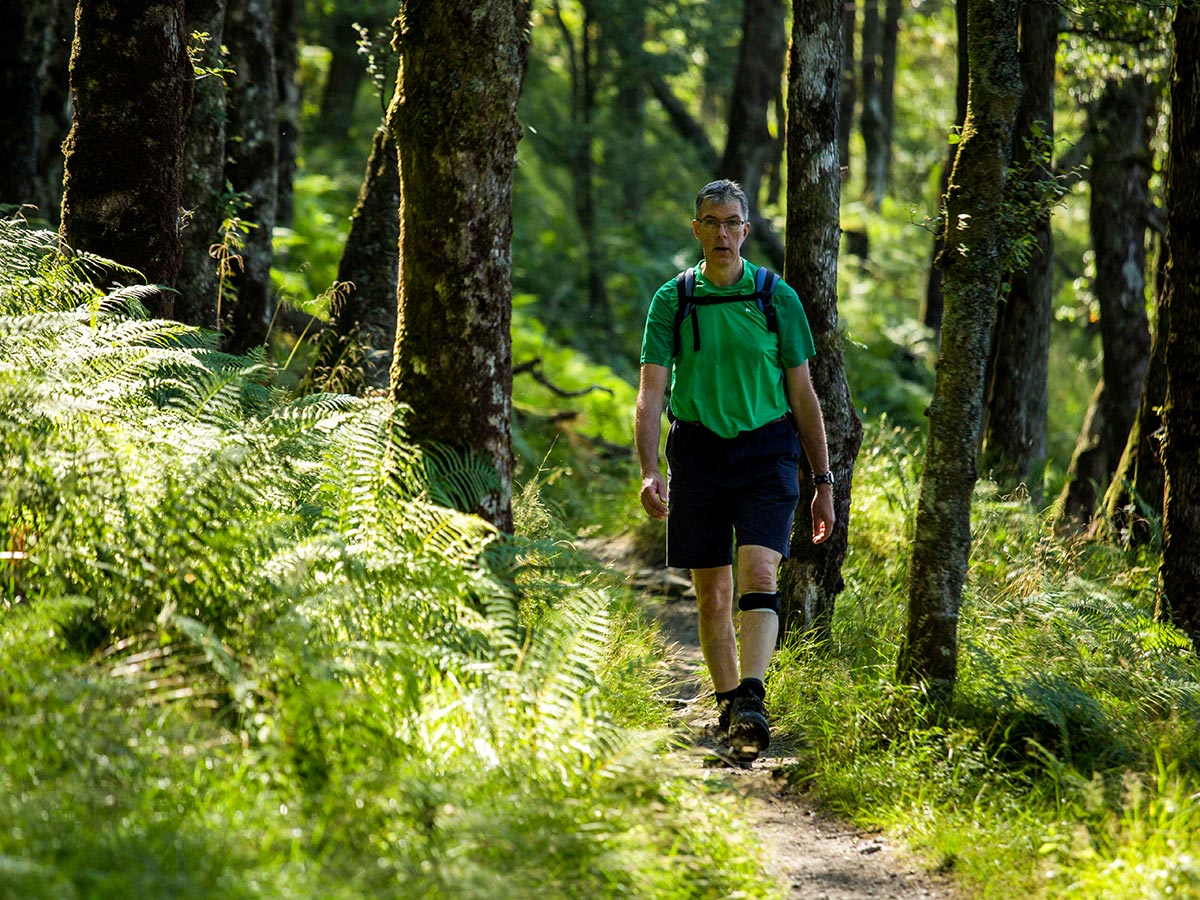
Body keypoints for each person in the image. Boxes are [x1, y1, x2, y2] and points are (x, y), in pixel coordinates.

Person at [635, 179, 835, 763]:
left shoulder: (778, 298)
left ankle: (752, 696)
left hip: (768, 452)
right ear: (696, 230)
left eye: (732, 222)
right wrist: (650, 469)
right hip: (696, 453)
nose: (722, 233)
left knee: (760, 571)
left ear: (746, 231)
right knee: (713, 593)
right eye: (711, 222)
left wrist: (822, 483)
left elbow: (804, 395)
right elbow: (651, 392)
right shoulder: (673, 300)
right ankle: (729, 706)